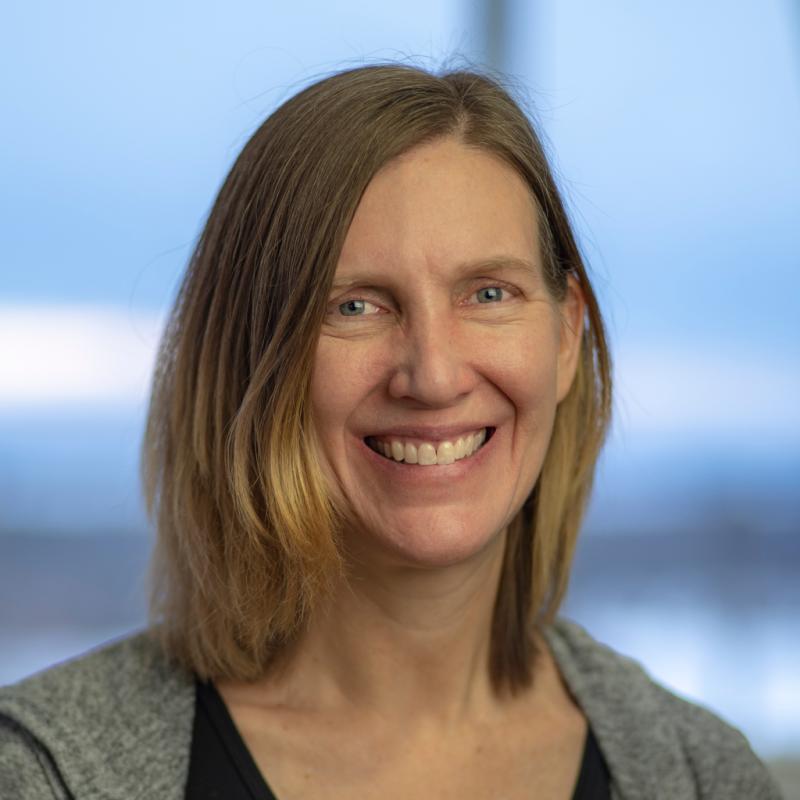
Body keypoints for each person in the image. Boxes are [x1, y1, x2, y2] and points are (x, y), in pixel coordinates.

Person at [0, 63, 782, 800]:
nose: (434, 375)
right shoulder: (44, 776)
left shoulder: (701, 775)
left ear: (567, 335)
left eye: (487, 292)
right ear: (247, 359)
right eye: (356, 305)